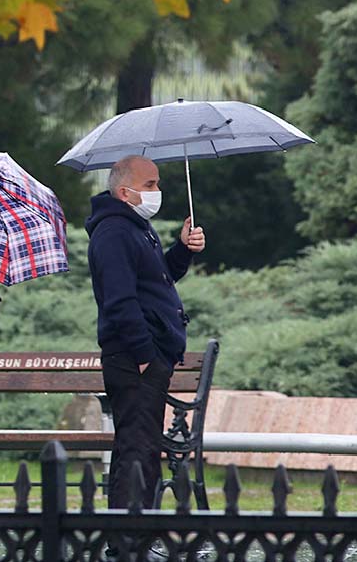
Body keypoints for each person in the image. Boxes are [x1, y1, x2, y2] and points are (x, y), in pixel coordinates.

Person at [86, 155, 206, 511]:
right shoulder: (114, 232)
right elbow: (119, 302)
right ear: (125, 192)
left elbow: (156, 281)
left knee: (142, 446)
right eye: (149, 185)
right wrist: (143, 355)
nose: (158, 191)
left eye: (157, 183)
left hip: (147, 354)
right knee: (136, 449)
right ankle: (129, 539)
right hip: (134, 356)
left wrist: (182, 249)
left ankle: (137, 531)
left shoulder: (134, 227)